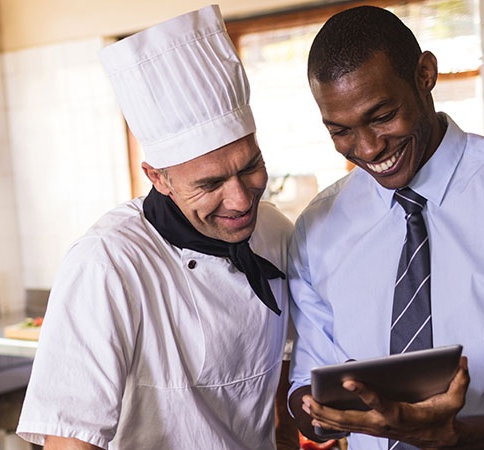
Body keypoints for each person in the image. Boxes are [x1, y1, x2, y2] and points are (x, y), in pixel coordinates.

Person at [287, 5, 484, 450]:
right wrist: (330, 411)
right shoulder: (317, 228)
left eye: (382, 117)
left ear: (424, 75)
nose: (367, 148)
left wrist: (455, 439)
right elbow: (307, 384)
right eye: (340, 130)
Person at [16, 5, 298, 449]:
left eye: (251, 167)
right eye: (210, 184)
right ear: (158, 177)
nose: (242, 200)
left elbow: (279, 389)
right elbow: (69, 439)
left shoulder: (275, 233)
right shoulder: (108, 264)